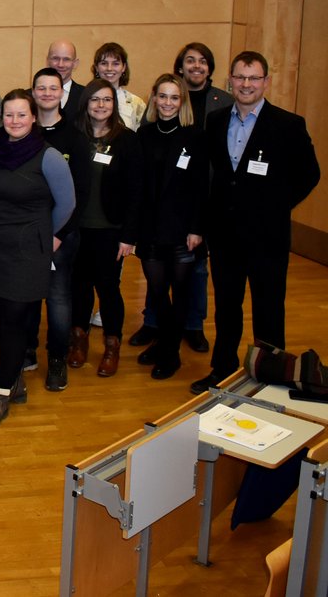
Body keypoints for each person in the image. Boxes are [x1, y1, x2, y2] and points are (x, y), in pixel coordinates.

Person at [193, 51, 320, 393]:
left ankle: (270, 376)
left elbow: (310, 174)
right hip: (225, 236)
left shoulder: (288, 125)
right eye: (240, 77)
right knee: (227, 308)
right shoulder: (216, 120)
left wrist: (275, 206)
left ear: (266, 82)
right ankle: (222, 369)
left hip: (268, 237)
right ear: (230, 81)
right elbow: (217, 176)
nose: (246, 84)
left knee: (268, 310)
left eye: (253, 78)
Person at [0, 90, 75, 430]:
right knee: (3, 321)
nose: (14, 121)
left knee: (15, 320)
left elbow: (67, 205)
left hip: (27, 255)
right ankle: (14, 379)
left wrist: (44, 238)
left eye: (21, 115)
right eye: (9, 115)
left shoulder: (48, 157)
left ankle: (0, 392)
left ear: (34, 118)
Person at [66, 79, 143, 378]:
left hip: (111, 230)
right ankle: (79, 341)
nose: (101, 105)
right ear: (86, 103)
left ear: (115, 105)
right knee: (79, 287)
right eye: (95, 99)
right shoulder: (76, 138)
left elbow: (137, 191)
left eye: (107, 100)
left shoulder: (128, 140)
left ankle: (112, 347)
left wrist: (129, 236)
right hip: (78, 227)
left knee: (108, 289)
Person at [134, 74, 206, 380]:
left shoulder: (195, 136)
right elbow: (137, 186)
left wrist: (196, 228)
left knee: (181, 294)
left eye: (174, 98)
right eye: (162, 96)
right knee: (158, 292)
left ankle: (171, 352)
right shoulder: (144, 134)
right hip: (151, 230)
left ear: (182, 101)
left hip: (182, 230)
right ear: (154, 98)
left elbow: (203, 187)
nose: (167, 103)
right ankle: (164, 341)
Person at [24, 69, 92, 391]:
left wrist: (58, 235)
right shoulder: (23, 131)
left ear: (62, 94)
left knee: (58, 299)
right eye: (42, 87)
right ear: (33, 92)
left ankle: (57, 360)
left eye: (54, 88)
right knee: (25, 296)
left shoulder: (76, 138)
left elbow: (81, 194)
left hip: (60, 237)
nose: (48, 93)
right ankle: (27, 352)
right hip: (25, 235)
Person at [91, 43, 145, 131]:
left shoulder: (137, 104)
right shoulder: (86, 98)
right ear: (96, 67)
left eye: (115, 64)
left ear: (123, 67)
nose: (109, 68)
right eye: (104, 63)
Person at [47, 39, 86, 115]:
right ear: (47, 61)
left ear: (75, 63)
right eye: (56, 58)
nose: (60, 64)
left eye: (66, 59)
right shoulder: (29, 97)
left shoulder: (86, 96)